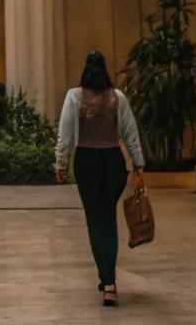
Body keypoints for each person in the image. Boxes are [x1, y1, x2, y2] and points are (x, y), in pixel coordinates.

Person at [56, 49, 145, 306]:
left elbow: (64, 135)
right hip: (113, 164)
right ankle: (110, 280)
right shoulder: (118, 98)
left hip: (87, 163)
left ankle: (107, 280)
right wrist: (138, 163)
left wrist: (60, 164)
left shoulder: (74, 97)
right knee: (108, 219)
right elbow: (131, 133)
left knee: (95, 221)